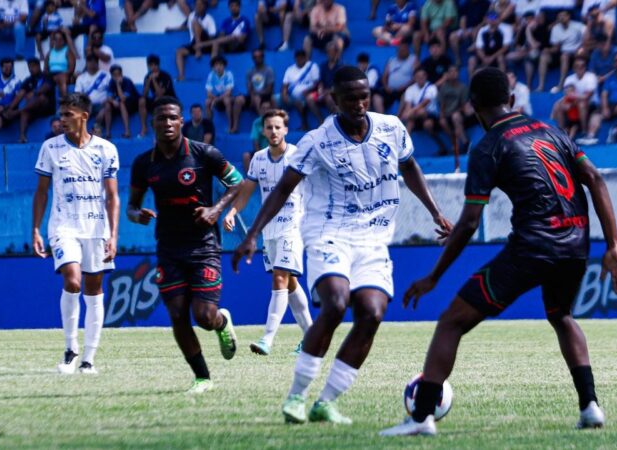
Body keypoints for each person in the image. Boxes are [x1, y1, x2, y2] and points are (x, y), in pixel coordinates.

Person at [379, 67, 617, 437]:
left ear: (473, 107)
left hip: (532, 246)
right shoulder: (551, 130)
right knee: (561, 315)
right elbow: (595, 179)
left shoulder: (489, 147)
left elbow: (467, 223)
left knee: (451, 321)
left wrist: (434, 276)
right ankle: (590, 406)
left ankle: (421, 418)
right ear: (511, 100)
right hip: (576, 242)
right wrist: (614, 246)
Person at [234, 64, 452, 425]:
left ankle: (326, 401)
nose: (359, 104)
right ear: (334, 100)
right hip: (328, 231)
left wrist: (435, 211)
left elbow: (409, 166)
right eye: (350, 98)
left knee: (372, 313)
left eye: (364, 96)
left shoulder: (391, 128)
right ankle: (296, 397)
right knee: (335, 304)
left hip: (375, 236)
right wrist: (253, 233)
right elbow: (284, 187)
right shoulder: (317, 141)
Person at [128, 95, 242, 394]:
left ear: (182, 122)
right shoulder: (143, 164)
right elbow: (131, 206)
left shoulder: (204, 154)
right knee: (177, 314)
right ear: (152, 123)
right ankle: (202, 377)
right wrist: (137, 215)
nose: (166, 123)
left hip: (203, 246)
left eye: (172, 118)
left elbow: (237, 182)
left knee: (203, 317)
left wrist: (216, 210)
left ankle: (221, 322)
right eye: (161, 118)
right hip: (168, 247)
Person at [32, 92, 120, 375]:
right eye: (61, 114)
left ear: (84, 115)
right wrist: (35, 229)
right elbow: (42, 192)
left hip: (96, 229)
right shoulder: (50, 148)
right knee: (72, 281)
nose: (62, 119)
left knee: (94, 290)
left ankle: (89, 359)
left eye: (68, 114)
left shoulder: (106, 150)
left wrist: (114, 235)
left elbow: (112, 197)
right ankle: (71, 350)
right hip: (64, 227)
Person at [223, 109, 314, 356]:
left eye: (278, 127)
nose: (273, 131)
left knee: (280, 277)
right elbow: (246, 192)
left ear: (285, 129)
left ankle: (267, 339)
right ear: (263, 131)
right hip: (269, 230)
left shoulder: (297, 156)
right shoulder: (258, 159)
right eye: (269, 127)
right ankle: (312, 337)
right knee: (290, 283)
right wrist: (232, 213)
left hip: (294, 227)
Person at [552, 56, 598, 144]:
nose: (580, 68)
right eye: (577, 66)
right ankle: (562, 133)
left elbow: (587, 97)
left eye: (582, 66)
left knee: (582, 104)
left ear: (585, 67)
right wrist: (574, 100)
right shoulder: (569, 79)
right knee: (559, 105)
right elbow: (568, 96)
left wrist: (574, 98)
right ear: (573, 68)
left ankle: (584, 131)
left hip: (591, 105)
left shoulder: (591, 77)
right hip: (573, 106)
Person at [537, 10, 584, 93]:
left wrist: (581, 48)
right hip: (561, 52)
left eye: (563, 16)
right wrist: (548, 50)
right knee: (544, 56)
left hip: (575, 53)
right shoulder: (556, 28)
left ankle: (561, 85)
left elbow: (586, 38)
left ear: (568, 17)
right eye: (559, 16)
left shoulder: (578, 26)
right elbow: (556, 48)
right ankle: (541, 86)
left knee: (564, 56)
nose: (561, 18)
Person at [15, 57, 56, 143]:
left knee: (41, 97)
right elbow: (21, 93)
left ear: (38, 66)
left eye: (33, 66)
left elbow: (46, 88)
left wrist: (34, 93)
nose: (31, 69)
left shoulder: (47, 76)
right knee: (25, 112)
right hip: (33, 109)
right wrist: (10, 107)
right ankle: (22, 136)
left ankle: (18, 111)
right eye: (29, 67)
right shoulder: (28, 80)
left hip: (47, 107)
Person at [175, 0, 217, 81]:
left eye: (199, 4)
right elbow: (185, 27)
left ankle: (198, 49)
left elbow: (212, 36)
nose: (197, 6)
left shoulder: (209, 19)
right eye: (196, 4)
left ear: (204, 6)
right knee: (179, 52)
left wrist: (201, 29)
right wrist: (171, 29)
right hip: (194, 43)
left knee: (195, 23)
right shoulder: (191, 16)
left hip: (206, 44)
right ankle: (181, 76)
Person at [279, 49, 320, 130]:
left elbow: (317, 83)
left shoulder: (312, 66)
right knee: (274, 99)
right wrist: (284, 94)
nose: (299, 59)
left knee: (301, 102)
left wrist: (308, 91)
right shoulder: (290, 69)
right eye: (297, 58)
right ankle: (280, 125)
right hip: (292, 96)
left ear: (305, 58)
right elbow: (284, 85)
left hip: (308, 94)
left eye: (301, 57)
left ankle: (317, 121)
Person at [139, 54, 177, 137]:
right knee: (141, 101)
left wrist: (154, 80)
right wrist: (149, 82)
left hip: (170, 99)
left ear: (158, 65)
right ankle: (144, 127)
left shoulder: (165, 76)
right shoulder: (148, 76)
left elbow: (160, 93)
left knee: (158, 99)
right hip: (157, 99)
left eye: (155, 65)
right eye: (150, 65)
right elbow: (144, 94)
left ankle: (159, 129)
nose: (153, 67)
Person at [205, 55, 244, 133]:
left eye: (220, 65)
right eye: (216, 65)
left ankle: (230, 126)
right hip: (217, 97)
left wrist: (216, 100)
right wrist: (215, 99)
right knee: (207, 102)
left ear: (224, 66)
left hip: (231, 96)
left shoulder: (228, 74)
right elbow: (208, 93)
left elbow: (228, 92)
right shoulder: (211, 75)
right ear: (213, 67)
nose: (218, 67)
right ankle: (209, 127)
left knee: (226, 100)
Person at [437, 65, 471, 152]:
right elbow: (442, 103)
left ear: (458, 74)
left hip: (459, 112)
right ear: (447, 74)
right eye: (451, 72)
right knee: (442, 121)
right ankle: (454, 141)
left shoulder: (463, 87)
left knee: (455, 117)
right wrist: (441, 115)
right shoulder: (444, 87)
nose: (453, 74)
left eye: (455, 71)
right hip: (447, 113)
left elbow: (464, 105)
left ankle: (465, 143)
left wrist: (455, 112)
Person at [306, 40, 342, 122]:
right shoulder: (323, 66)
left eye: (331, 52)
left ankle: (337, 121)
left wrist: (329, 91)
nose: (329, 54)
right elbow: (321, 81)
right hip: (324, 91)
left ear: (336, 53)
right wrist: (320, 89)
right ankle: (321, 121)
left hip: (335, 93)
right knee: (309, 98)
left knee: (329, 98)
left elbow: (340, 84)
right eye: (328, 52)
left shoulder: (341, 66)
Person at [100, 64, 139, 139]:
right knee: (107, 105)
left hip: (132, 104)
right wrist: (113, 101)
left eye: (118, 74)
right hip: (118, 104)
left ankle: (127, 131)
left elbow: (123, 98)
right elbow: (108, 97)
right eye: (114, 75)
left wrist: (118, 85)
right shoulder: (111, 82)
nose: (117, 76)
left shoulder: (127, 81)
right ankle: (108, 133)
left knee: (121, 103)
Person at [74, 54, 110, 131]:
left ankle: (100, 129)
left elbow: (112, 91)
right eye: (89, 62)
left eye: (94, 62)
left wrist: (107, 100)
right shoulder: (81, 78)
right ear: (86, 63)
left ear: (97, 63)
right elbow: (78, 94)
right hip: (87, 105)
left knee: (107, 107)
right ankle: (80, 131)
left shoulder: (106, 75)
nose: (92, 64)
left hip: (102, 105)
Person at [380, 39, 417, 112]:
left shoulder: (413, 59)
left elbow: (415, 77)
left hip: (404, 89)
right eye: (400, 50)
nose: (402, 51)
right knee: (376, 96)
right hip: (389, 90)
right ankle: (381, 118)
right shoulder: (391, 60)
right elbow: (384, 76)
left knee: (407, 94)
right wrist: (386, 87)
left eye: (404, 50)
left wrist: (404, 86)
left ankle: (398, 118)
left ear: (408, 50)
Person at [448, 0, 486, 67]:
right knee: (452, 36)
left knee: (476, 32)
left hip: (479, 27)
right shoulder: (466, 4)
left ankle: (475, 55)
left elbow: (486, 19)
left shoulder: (485, 3)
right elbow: (463, 19)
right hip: (467, 28)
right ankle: (457, 59)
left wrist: (478, 27)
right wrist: (464, 30)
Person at [45, 29, 76, 99]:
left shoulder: (68, 51)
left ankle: (65, 100)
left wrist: (62, 74)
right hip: (51, 74)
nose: (58, 41)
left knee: (61, 78)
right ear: (53, 41)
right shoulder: (49, 53)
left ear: (64, 41)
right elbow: (45, 69)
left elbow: (71, 69)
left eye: (60, 39)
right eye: (56, 39)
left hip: (65, 74)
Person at [246, 48, 275, 116]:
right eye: (255, 57)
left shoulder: (269, 70)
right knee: (239, 100)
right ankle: (234, 126)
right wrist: (252, 95)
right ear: (253, 59)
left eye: (259, 56)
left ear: (263, 57)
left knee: (257, 99)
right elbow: (249, 88)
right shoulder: (250, 72)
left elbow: (269, 89)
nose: (257, 59)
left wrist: (255, 95)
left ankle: (262, 120)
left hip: (266, 95)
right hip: (254, 95)